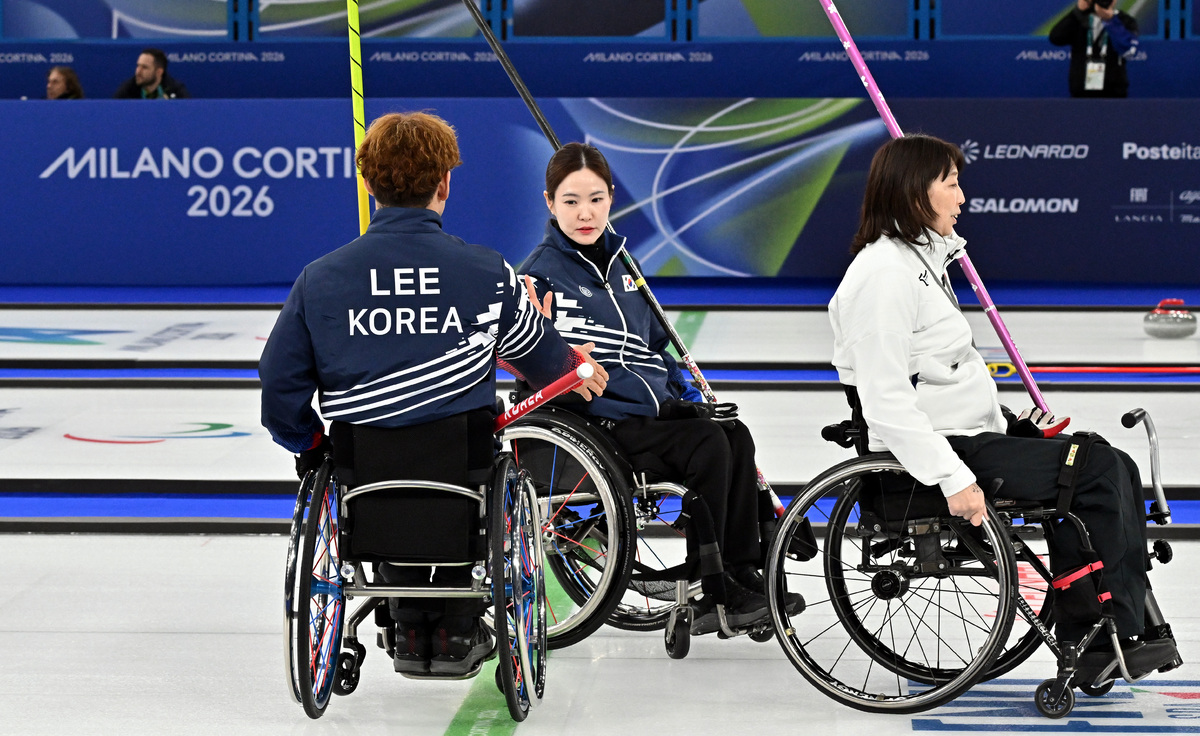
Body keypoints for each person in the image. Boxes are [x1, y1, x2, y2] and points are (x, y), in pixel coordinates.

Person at [259, 113, 607, 676]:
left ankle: (407, 614)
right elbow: (544, 361)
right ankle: (451, 629)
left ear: (368, 185)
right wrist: (575, 366)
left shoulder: (320, 279)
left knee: (361, 473)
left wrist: (309, 440)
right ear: (445, 184)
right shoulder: (487, 273)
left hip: (360, 474)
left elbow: (279, 390)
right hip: (463, 474)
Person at [828, 133, 1178, 677]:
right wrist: (951, 479)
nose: (962, 197)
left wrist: (1013, 426)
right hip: (933, 459)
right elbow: (887, 401)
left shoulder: (920, 264)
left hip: (968, 439)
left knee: (1104, 458)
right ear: (916, 192)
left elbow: (941, 381)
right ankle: (1109, 632)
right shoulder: (882, 277)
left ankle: (1106, 626)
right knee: (1094, 471)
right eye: (951, 183)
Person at [518, 142, 802, 636]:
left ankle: (740, 572)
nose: (585, 213)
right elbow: (526, 364)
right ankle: (714, 589)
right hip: (597, 423)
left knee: (732, 433)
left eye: (596, 199)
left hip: (651, 411)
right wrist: (553, 352)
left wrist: (688, 397)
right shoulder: (539, 275)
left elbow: (656, 348)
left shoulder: (625, 267)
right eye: (570, 201)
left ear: (611, 199)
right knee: (708, 447)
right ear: (549, 203)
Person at [1049, 0, 1139, 98]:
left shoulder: (1124, 20)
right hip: (1081, 94)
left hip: (1114, 95)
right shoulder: (1078, 19)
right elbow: (1055, 38)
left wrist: (1111, 21)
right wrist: (1077, 12)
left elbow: (1128, 50)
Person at [113, 48, 190, 99]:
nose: (138, 71)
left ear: (159, 72)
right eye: (138, 66)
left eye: (144, 67)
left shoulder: (175, 90)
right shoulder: (127, 90)